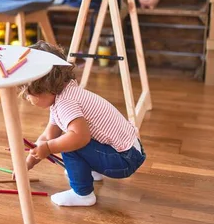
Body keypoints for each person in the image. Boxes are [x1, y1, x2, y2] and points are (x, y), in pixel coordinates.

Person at [18, 41, 146, 207]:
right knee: (64, 140)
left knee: (69, 143)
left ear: (43, 87)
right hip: (129, 151)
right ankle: (92, 171)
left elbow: (79, 138)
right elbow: (48, 136)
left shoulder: (66, 103)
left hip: (124, 159)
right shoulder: (64, 93)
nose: (27, 98)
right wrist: (27, 164)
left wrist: (49, 148)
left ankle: (82, 194)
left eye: (28, 93)